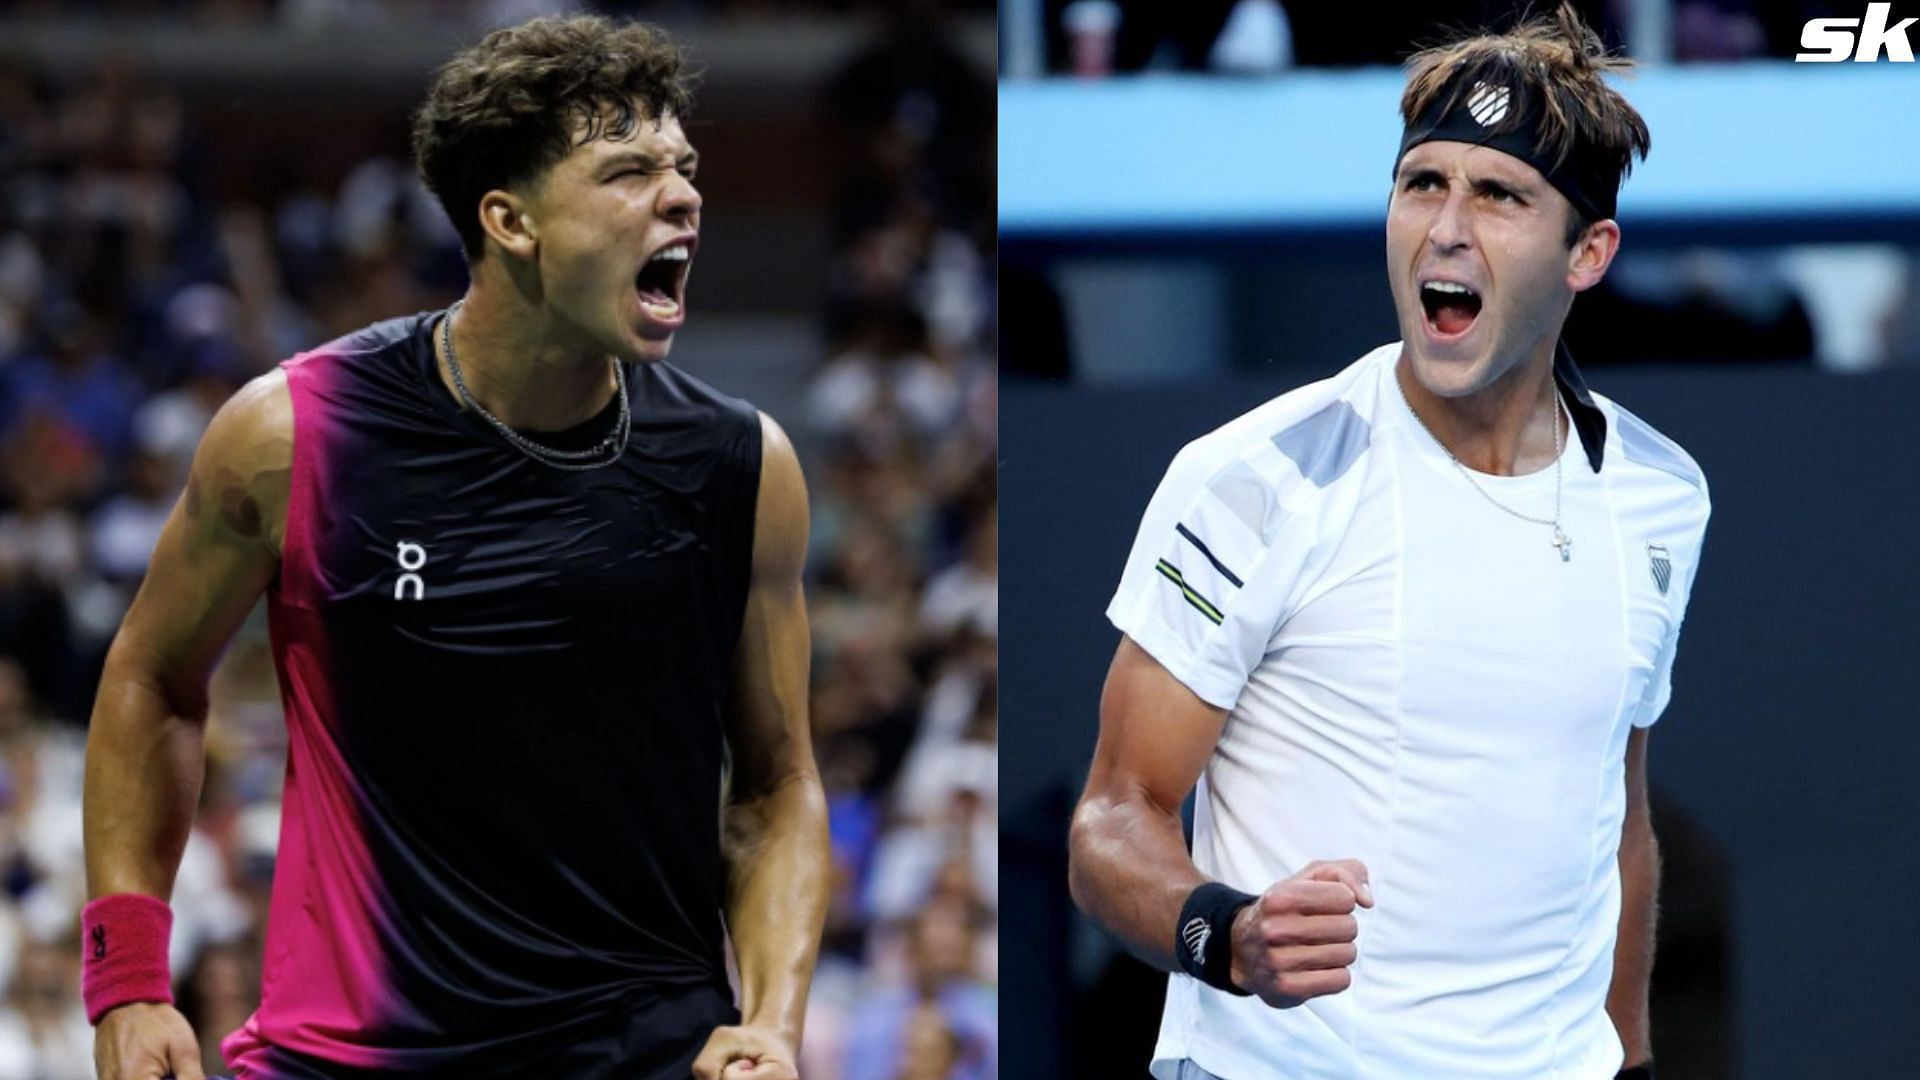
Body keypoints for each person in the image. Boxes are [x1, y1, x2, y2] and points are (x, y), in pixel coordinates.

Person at [80, 15, 830, 1080]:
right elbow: (152, 678)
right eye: (628, 171)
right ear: (509, 220)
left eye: (684, 165)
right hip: (346, 1057)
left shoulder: (741, 466)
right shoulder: (294, 435)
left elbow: (777, 784)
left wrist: (775, 1024)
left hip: (644, 1054)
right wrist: (129, 981)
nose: (683, 195)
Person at [1067, 6, 1708, 1079]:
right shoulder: (1254, 478)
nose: (1445, 229)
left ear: (1588, 253)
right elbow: (1113, 816)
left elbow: (1618, 821)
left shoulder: (1660, 495)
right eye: (1422, 184)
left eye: (1499, 195)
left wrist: (1630, 1059)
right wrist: (1222, 932)